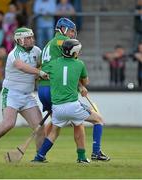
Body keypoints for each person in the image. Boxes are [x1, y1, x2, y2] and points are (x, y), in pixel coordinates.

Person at [38, 17, 110, 162]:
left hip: (42, 89)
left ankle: (39, 154)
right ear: (63, 29)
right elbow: (69, 68)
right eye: (71, 31)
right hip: (55, 88)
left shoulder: (48, 44)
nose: (72, 34)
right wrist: (81, 85)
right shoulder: (62, 41)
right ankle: (84, 156)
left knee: (56, 125)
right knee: (78, 122)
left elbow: (49, 67)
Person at [0, 27, 48, 163]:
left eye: (32, 37)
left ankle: (40, 158)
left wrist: (44, 72)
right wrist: (39, 73)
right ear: (20, 40)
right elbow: (21, 66)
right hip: (11, 94)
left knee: (39, 127)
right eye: (28, 38)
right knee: (8, 123)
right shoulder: (14, 54)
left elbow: (42, 66)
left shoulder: (37, 51)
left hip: (28, 95)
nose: (31, 40)